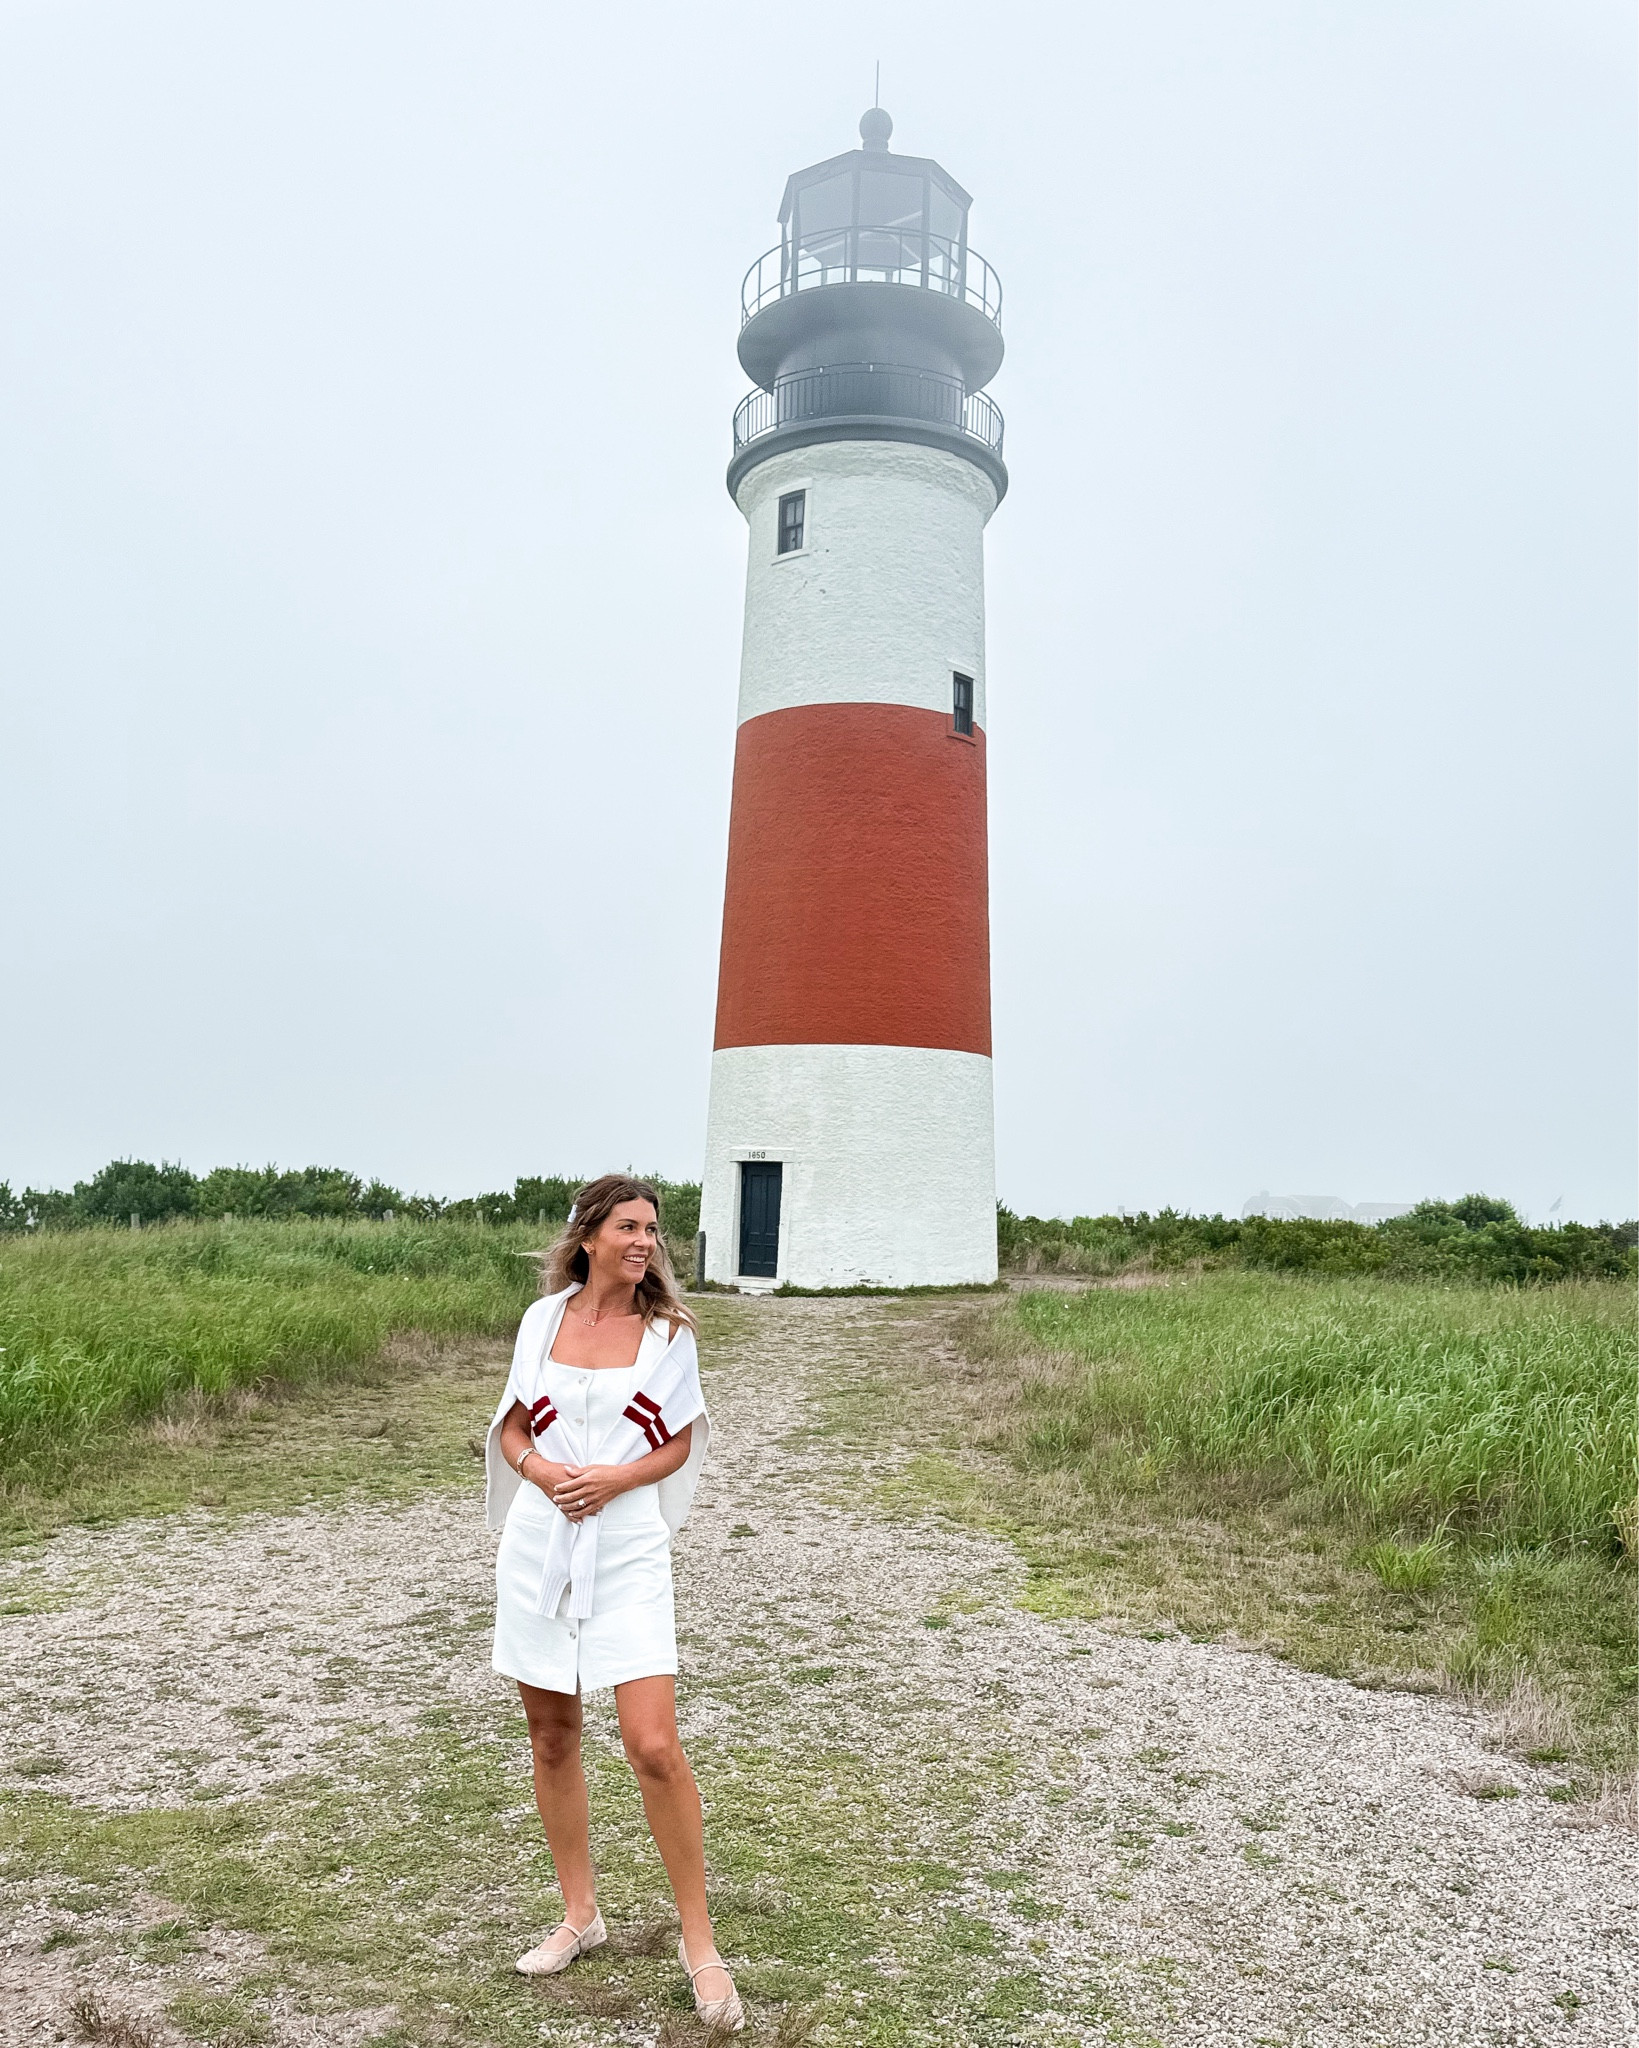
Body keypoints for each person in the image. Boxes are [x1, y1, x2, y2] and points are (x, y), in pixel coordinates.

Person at [484, 1173, 743, 2032]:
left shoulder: (668, 1333)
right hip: (540, 1540)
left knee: (653, 1744)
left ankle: (698, 1943)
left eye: (653, 1230)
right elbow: (514, 1428)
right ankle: (579, 1913)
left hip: (627, 1546)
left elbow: (674, 1443)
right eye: (628, 1227)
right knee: (552, 1733)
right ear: (587, 1235)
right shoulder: (540, 1322)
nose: (645, 1242)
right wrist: (546, 1472)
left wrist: (615, 1477)